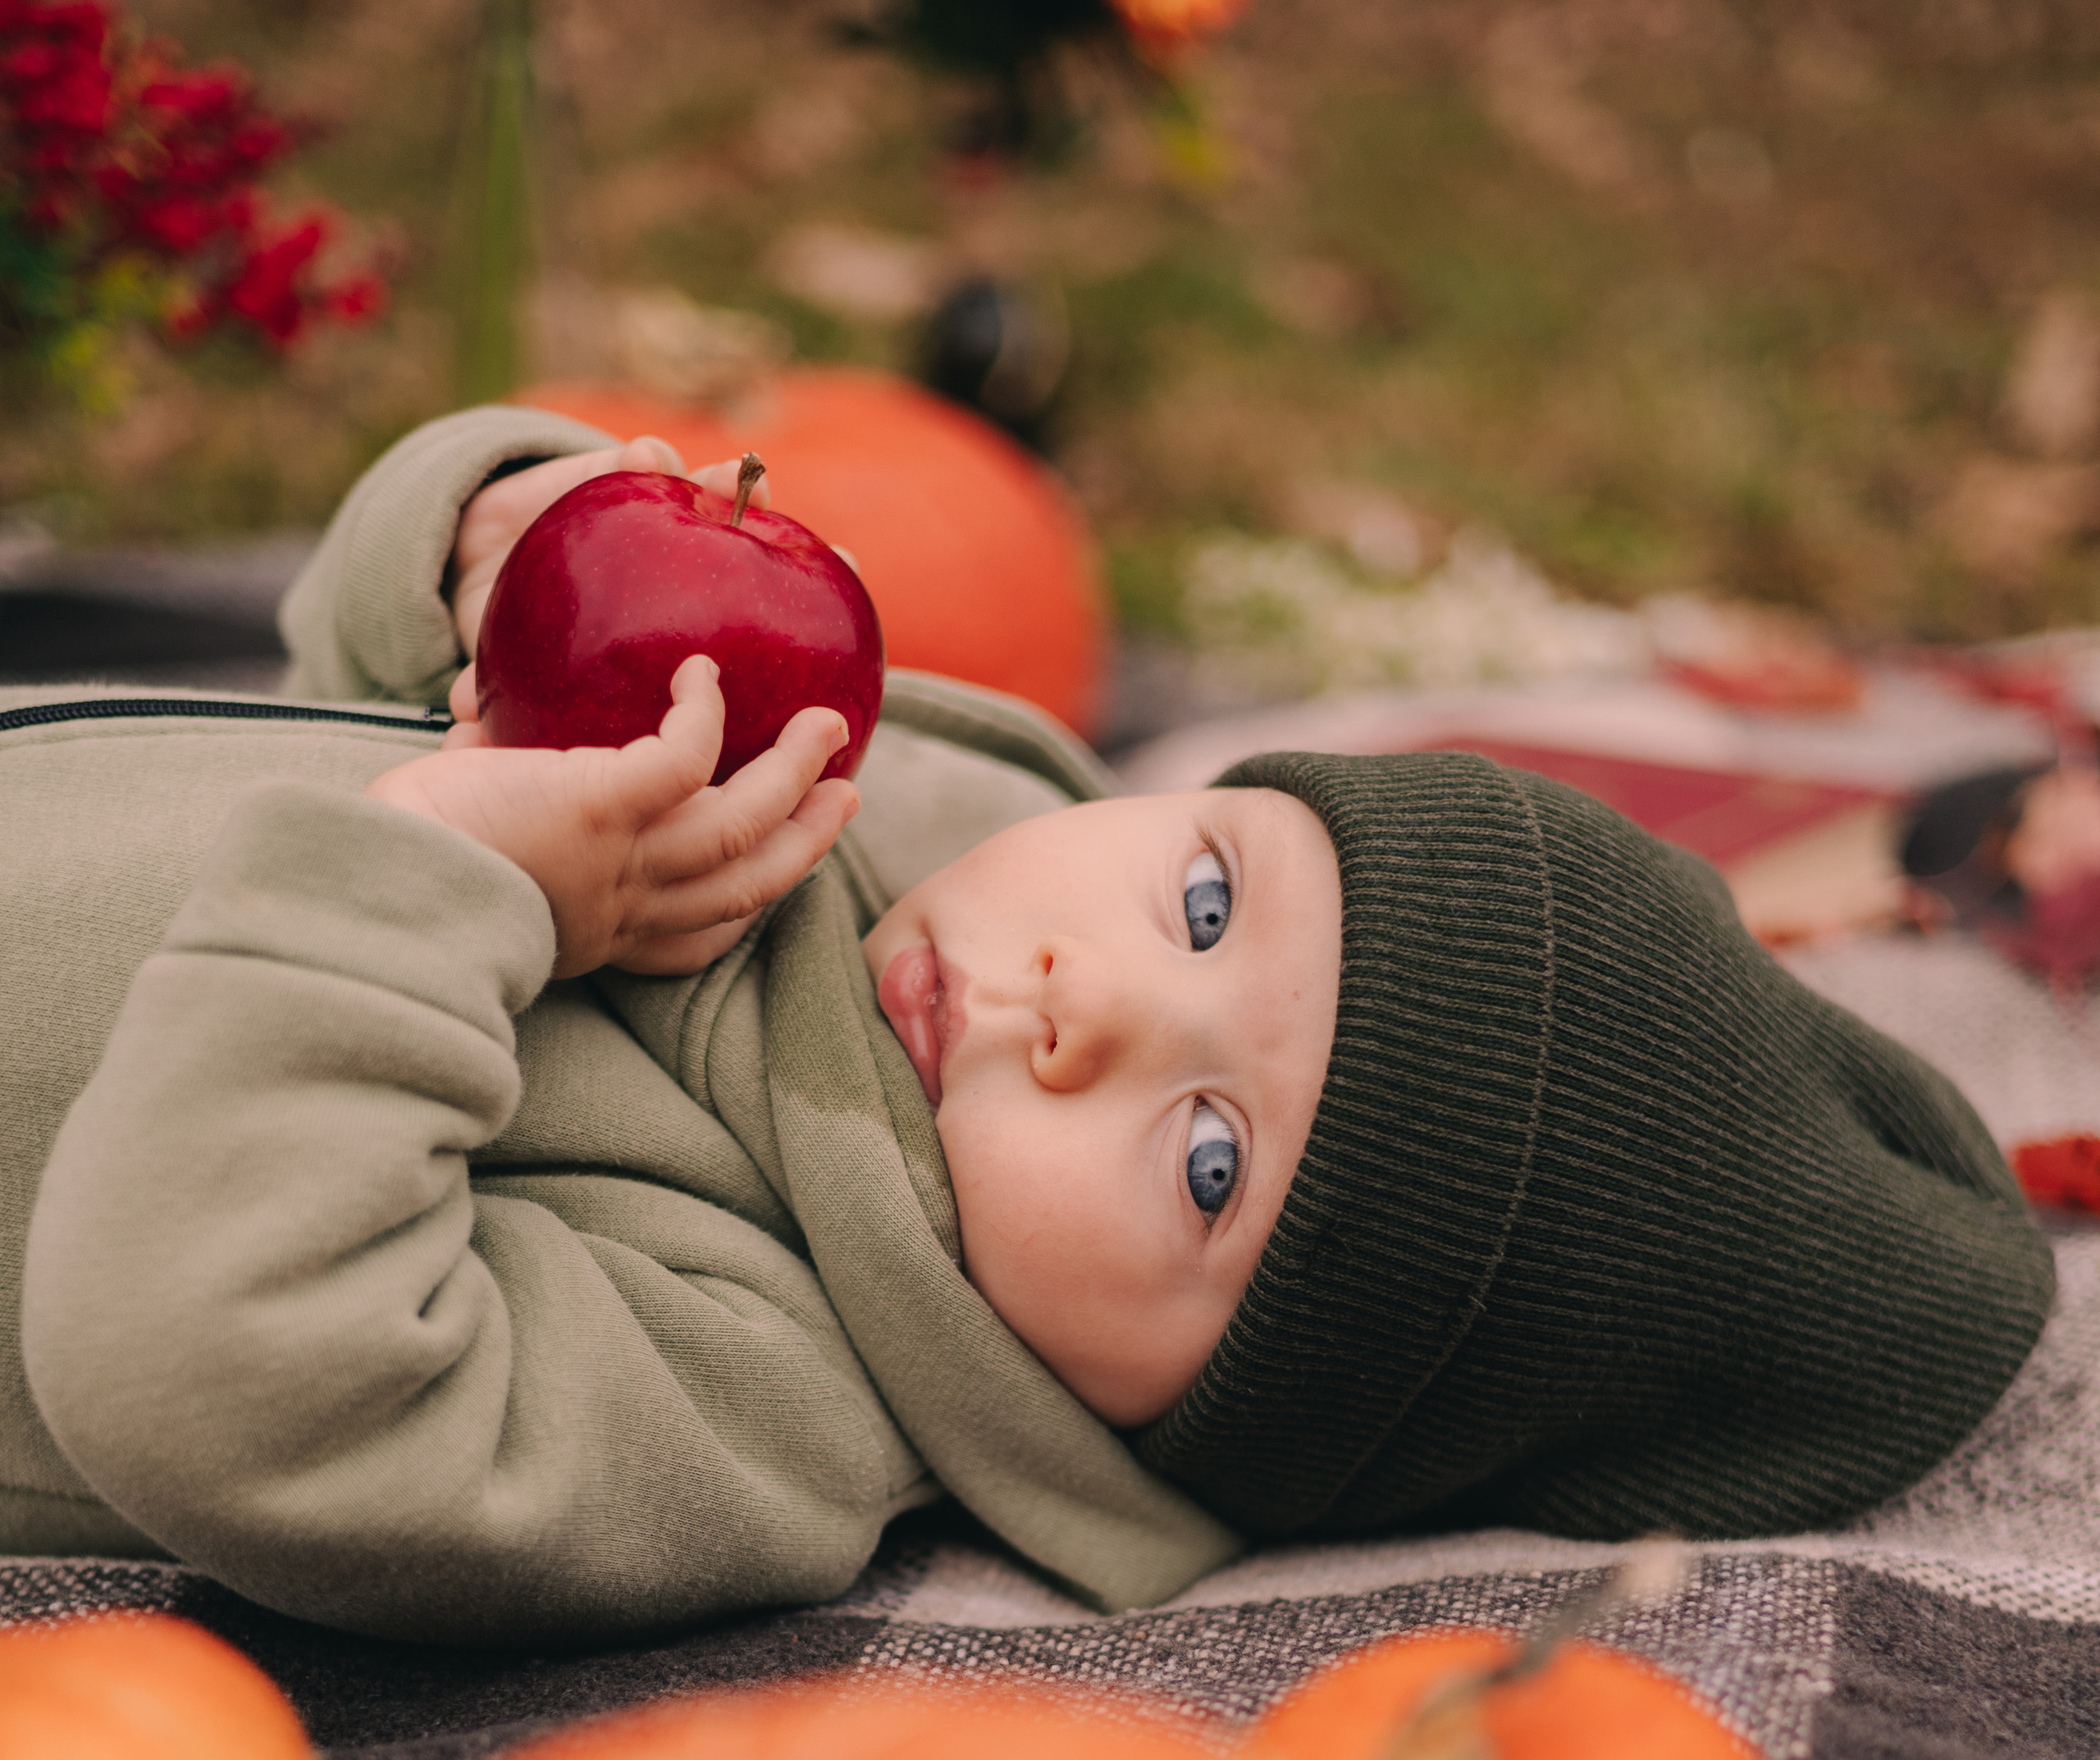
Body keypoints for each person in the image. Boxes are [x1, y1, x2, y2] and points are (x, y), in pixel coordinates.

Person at [5, 407, 2055, 1647]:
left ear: (1198, 1421)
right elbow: (341, 671)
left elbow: (212, 1368)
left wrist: (450, 899)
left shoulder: (771, 1396)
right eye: (1201, 899)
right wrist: (507, 534)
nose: (1085, 1006)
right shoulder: (885, 804)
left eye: (1208, 1160)